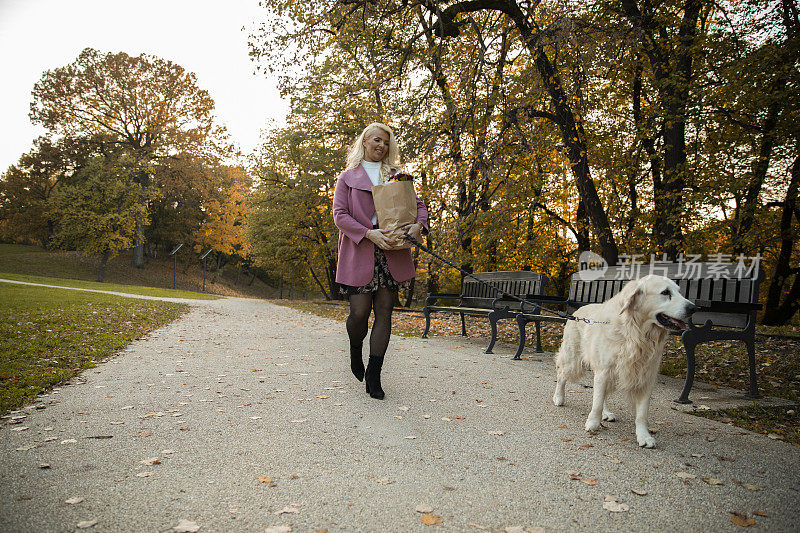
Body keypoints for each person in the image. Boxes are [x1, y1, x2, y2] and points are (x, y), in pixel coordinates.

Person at [332, 123, 428, 399]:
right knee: (359, 314)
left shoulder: (397, 176)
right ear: (364, 142)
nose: (381, 146)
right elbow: (340, 215)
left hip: (392, 251)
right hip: (360, 250)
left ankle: (374, 374)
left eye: (386, 142)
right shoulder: (348, 177)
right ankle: (354, 346)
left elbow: (418, 207)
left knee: (384, 311)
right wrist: (368, 233)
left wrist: (418, 226)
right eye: (377, 140)